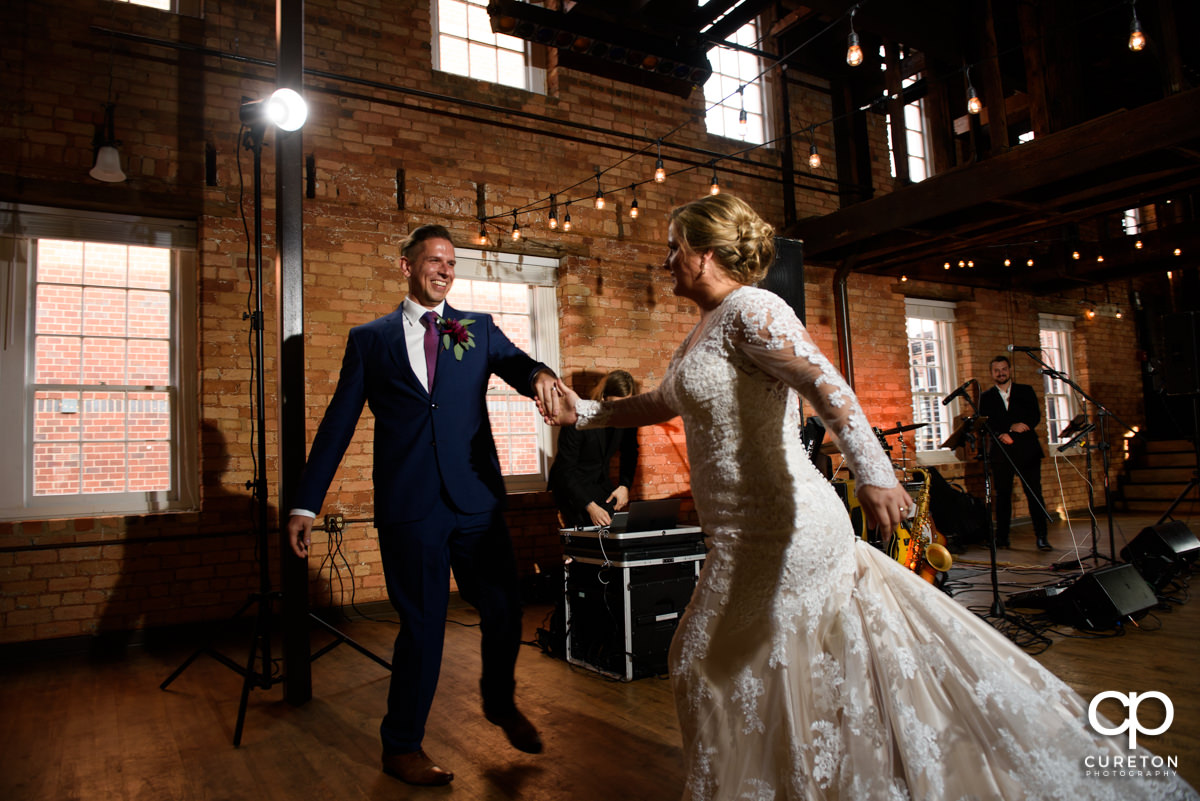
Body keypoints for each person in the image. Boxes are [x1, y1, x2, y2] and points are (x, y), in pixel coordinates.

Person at [541, 194, 1196, 801]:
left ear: (704, 253)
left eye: (673, 247)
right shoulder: (704, 329)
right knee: (736, 669)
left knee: (713, 663)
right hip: (739, 538)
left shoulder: (752, 310)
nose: (665, 261)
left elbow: (827, 384)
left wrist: (875, 472)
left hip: (791, 530)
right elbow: (659, 402)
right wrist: (586, 411)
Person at [287, 224, 558, 786]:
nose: (445, 269)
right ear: (406, 265)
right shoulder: (371, 340)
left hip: (476, 502)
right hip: (411, 509)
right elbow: (338, 424)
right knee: (423, 627)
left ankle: (499, 701)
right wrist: (305, 506)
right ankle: (402, 746)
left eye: (451, 262)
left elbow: (518, 365)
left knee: (505, 610)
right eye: (434, 260)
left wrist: (542, 377)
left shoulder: (476, 330)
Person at [548, 369, 640, 527]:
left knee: (614, 529)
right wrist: (590, 507)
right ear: (603, 398)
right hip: (569, 486)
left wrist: (625, 486)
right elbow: (565, 471)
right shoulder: (579, 418)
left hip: (598, 483)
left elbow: (630, 453)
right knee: (585, 536)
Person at [979, 354, 1052, 550]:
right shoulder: (985, 397)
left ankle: (1042, 537)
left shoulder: (1025, 391)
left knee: (1034, 494)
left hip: (1027, 450)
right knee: (1003, 496)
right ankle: (1002, 538)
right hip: (1001, 452)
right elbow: (987, 423)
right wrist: (1005, 431)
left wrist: (1020, 426)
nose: (1000, 373)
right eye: (996, 370)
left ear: (1009, 370)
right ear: (991, 373)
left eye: (1004, 369)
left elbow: (1035, 416)